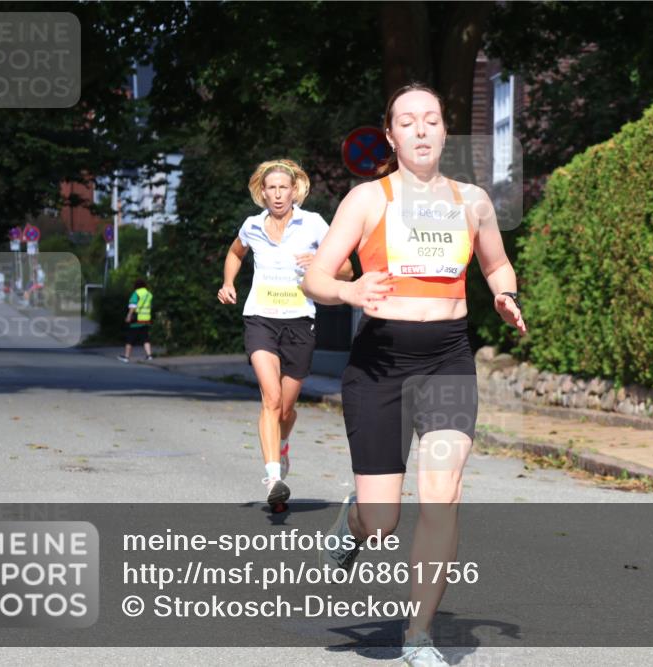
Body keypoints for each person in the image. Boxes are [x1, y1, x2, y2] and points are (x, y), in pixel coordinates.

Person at [302, 84, 526, 666]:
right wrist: (350, 289)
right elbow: (317, 278)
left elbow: (497, 263)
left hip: (448, 357)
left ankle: (419, 634)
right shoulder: (366, 200)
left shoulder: (471, 200)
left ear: (445, 131)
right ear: (392, 135)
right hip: (379, 362)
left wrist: (504, 294)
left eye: (432, 119)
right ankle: (354, 524)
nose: (421, 129)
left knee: (442, 495)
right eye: (409, 121)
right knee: (381, 521)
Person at [218, 158, 352, 513]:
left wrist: (324, 264)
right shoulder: (252, 225)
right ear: (262, 192)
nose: (278, 194)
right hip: (260, 318)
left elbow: (349, 269)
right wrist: (228, 282)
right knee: (271, 398)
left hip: (299, 321)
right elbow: (235, 252)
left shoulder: (314, 224)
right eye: (271, 188)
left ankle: (283, 442)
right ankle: (274, 477)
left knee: (287, 409)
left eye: (284, 188)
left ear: (295, 191)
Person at [117, 278, 153, 363]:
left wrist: (129, 316)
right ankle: (149, 355)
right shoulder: (149, 294)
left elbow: (133, 307)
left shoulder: (136, 293)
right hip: (146, 319)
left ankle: (126, 357)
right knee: (145, 338)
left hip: (137, 319)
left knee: (130, 338)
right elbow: (150, 306)